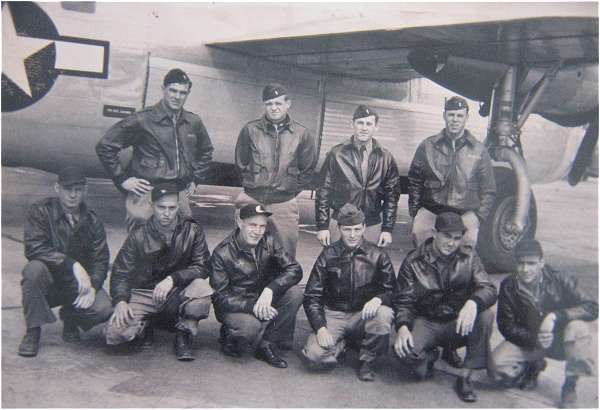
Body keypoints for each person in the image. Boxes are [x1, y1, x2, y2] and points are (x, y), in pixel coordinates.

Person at [393, 212, 497, 403]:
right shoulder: (413, 260)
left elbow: (488, 288)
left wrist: (473, 303)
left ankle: (466, 376)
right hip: (427, 321)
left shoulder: (469, 257)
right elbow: (403, 300)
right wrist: (402, 327)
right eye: (447, 236)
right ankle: (431, 354)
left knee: (485, 316)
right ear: (434, 232)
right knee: (407, 358)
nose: (452, 243)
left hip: (458, 322)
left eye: (457, 238)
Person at [105, 182, 213, 361]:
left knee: (201, 289)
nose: (167, 213)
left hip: (177, 291)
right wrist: (120, 301)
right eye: (161, 207)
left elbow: (202, 265)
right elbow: (121, 271)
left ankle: (184, 334)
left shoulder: (192, 230)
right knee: (115, 335)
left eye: (172, 207)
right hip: (145, 292)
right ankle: (145, 323)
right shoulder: (138, 235)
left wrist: (173, 278)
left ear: (178, 206)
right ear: (152, 206)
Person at [96, 68, 214, 231]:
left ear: (188, 94)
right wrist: (122, 179)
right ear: (163, 89)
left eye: (182, 92)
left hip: (179, 194)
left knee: (180, 248)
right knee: (140, 249)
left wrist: (196, 179)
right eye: (173, 90)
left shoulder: (193, 122)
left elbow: (206, 151)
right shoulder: (143, 119)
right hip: (147, 194)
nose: (177, 97)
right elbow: (105, 146)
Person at [488, 239, 598, 408]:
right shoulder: (509, 286)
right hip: (531, 340)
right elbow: (506, 325)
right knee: (496, 368)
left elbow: (591, 307)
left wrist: (555, 316)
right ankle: (533, 365)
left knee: (579, 329)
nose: (525, 269)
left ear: (541, 263)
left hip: (561, 339)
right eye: (521, 263)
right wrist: (535, 339)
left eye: (531, 263)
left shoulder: (560, 278)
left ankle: (570, 384)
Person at [18, 166, 113, 357]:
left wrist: (93, 286)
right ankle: (33, 330)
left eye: (78, 189)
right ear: (57, 189)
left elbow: (101, 259)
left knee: (103, 309)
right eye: (67, 189)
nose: (72, 195)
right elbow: (34, 247)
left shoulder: (93, 221)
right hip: (49, 282)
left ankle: (70, 317)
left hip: (77, 285)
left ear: (85, 191)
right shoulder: (41, 211)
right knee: (33, 270)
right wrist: (71, 264)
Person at [302, 203, 397, 382]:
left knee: (384, 314)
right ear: (338, 229)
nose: (352, 235)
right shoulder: (328, 255)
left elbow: (393, 289)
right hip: (334, 314)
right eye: (347, 229)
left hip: (363, 315)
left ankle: (366, 360)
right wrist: (321, 327)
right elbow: (311, 296)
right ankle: (341, 345)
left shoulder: (378, 255)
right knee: (314, 356)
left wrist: (379, 298)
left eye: (356, 229)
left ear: (364, 228)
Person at [210, 203, 303, 368]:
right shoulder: (222, 253)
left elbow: (294, 269)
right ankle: (229, 335)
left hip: (263, 298)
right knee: (250, 328)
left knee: (295, 293)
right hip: (238, 305)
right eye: (252, 225)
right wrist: (252, 306)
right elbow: (219, 297)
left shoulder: (269, 241)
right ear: (240, 223)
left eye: (262, 226)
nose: (257, 231)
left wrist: (271, 289)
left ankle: (266, 344)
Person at [234, 83, 318, 258]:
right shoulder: (250, 130)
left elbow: (308, 168)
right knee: (243, 251)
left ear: (288, 104)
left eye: (278, 103)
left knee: (285, 253)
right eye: (269, 103)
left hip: (284, 204)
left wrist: (289, 191)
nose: (274, 108)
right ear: (264, 105)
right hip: (253, 199)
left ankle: (279, 286)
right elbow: (241, 163)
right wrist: (251, 187)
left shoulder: (302, 134)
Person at [407, 96, 496, 248]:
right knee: (423, 252)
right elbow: (414, 180)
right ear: (444, 116)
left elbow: (489, 190)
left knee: (463, 260)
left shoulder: (479, 150)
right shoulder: (427, 146)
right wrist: (416, 212)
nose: (455, 119)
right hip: (432, 211)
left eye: (459, 115)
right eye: (451, 114)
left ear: (466, 118)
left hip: (464, 215)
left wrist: (478, 217)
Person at [315, 105, 401, 248]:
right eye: (360, 123)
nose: (364, 128)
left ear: (376, 127)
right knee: (336, 266)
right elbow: (323, 191)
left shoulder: (386, 158)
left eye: (369, 124)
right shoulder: (336, 154)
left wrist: (387, 229)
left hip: (371, 224)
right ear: (352, 124)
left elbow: (391, 197)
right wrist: (322, 226)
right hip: (342, 223)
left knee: (369, 266)